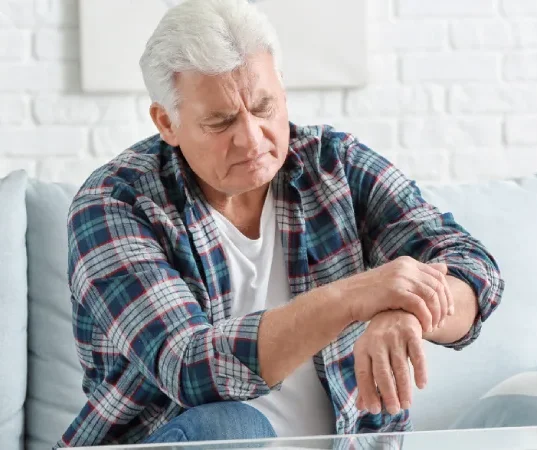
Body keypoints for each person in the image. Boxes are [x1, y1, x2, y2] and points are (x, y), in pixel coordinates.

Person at [58, 0, 504, 447]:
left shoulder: (335, 165)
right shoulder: (114, 204)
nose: (251, 138)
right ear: (166, 123)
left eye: (263, 107)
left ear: (283, 91)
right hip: (177, 440)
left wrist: (406, 309)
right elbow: (190, 367)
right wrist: (354, 298)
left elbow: (474, 267)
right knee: (232, 428)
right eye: (220, 122)